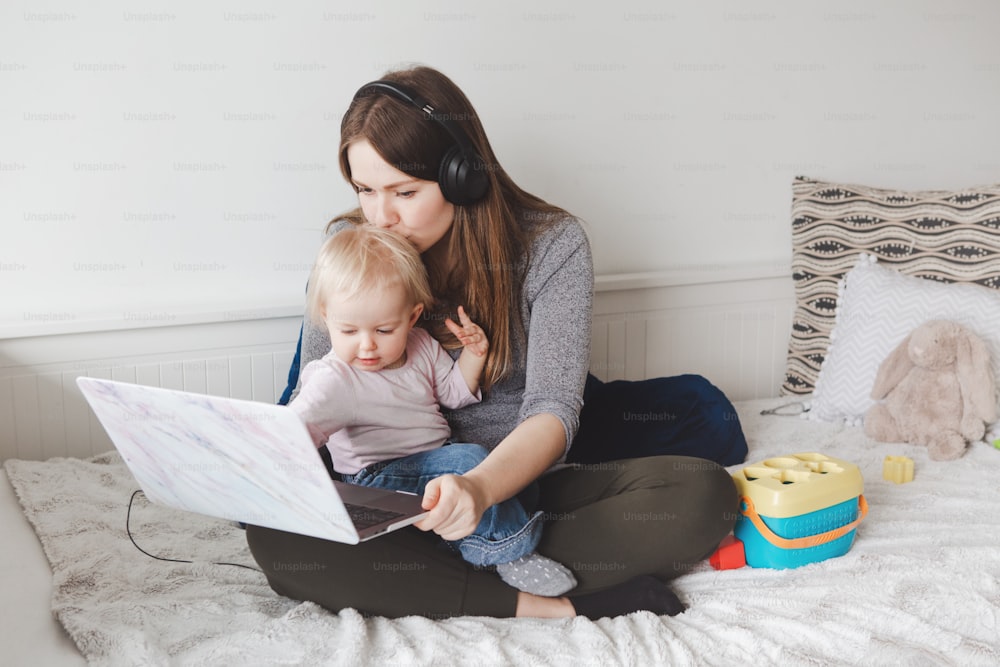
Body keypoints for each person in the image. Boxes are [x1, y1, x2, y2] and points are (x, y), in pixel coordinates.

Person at [246, 65, 748, 620]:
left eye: (404, 192)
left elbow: (553, 412)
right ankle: (542, 602)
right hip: (388, 497)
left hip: (512, 493)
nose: (380, 217)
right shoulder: (349, 245)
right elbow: (315, 391)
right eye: (365, 190)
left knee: (704, 495)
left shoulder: (554, 247)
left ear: (463, 176)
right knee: (275, 539)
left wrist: (479, 490)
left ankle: (443, 576)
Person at [290, 225, 576, 596]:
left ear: (412, 317)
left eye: (383, 329)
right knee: (469, 461)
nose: (367, 347)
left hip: (433, 462)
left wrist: (474, 356)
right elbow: (293, 435)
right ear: (326, 318)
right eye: (348, 331)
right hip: (376, 479)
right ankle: (510, 551)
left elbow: (454, 393)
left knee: (518, 482)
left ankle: (458, 542)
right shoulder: (334, 380)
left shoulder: (421, 345)